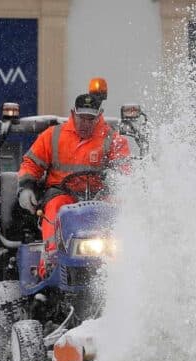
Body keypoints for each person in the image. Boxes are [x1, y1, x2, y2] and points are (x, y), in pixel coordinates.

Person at [18, 94, 130, 277]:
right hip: (62, 193)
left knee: (117, 206)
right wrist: (26, 187)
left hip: (99, 195)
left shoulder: (112, 139)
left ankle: (120, 259)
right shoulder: (52, 136)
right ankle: (52, 257)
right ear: (73, 114)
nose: (86, 123)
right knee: (55, 207)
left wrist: (116, 177)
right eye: (82, 118)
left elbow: (125, 170)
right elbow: (31, 163)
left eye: (90, 119)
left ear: (99, 116)